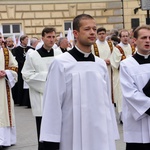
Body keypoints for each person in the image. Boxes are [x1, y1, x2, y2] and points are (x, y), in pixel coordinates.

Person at [40, 14, 119, 150]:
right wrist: (50, 139)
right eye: (87, 29)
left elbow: (107, 102)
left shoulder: (100, 64)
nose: (92, 32)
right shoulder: (61, 63)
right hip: (72, 132)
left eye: (94, 28)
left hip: (100, 132)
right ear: (75, 33)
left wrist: (111, 130)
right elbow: (52, 103)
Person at [22, 27, 62, 150]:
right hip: (41, 97)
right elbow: (26, 75)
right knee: (43, 133)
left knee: (59, 131)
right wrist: (47, 78)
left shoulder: (59, 54)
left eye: (53, 37)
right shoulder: (33, 55)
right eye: (49, 37)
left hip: (58, 98)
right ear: (43, 38)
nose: (51, 39)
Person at [119, 25, 150, 150]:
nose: (147, 40)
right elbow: (130, 94)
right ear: (134, 41)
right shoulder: (126, 64)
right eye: (143, 37)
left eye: (149, 37)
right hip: (137, 125)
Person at [110, 29, 136, 123]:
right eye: (123, 36)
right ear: (120, 38)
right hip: (121, 75)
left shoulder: (132, 47)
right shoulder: (117, 48)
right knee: (121, 95)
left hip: (132, 75)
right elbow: (115, 63)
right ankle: (122, 116)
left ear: (129, 37)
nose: (125, 38)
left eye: (127, 36)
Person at [0, 38, 18, 148]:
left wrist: (6, 72)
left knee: (4, 112)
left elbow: (14, 67)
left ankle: (4, 140)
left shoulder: (5, 52)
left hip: (3, 86)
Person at [91, 27, 115, 104]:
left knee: (110, 86)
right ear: (97, 35)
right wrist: (102, 61)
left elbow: (115, 54)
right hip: (99, 69)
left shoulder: (110, 44)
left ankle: (110, 101)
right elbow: (93, 56)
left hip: (110, 69)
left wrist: (110, 60)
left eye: (103, 34)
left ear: (106, 34)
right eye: (100, 34)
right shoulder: (94, 45)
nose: (102, 36)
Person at [12, 35, 32, 106]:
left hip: (28, 69)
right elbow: (17, 59)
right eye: (26, 39)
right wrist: (23, 63)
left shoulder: (30, 48)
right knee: (20, 84)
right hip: (21, 69)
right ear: (22, 41)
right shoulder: (16, 49)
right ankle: (20, 100)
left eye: (27, 39)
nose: (27, 41)